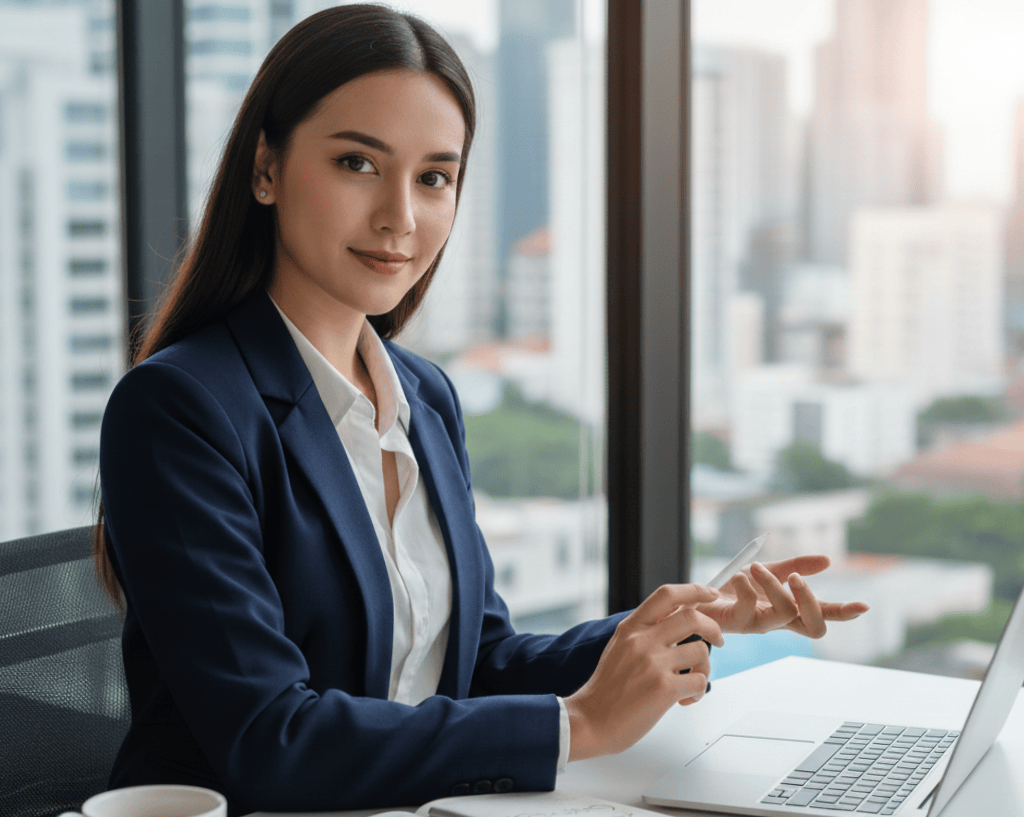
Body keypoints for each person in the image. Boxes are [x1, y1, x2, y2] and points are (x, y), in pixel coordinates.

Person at [94, 5, 868, 815]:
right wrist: (577, 724)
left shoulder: (423, 395)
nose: (401, 216)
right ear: (266, 168)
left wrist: (662, 632)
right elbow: (268, 738)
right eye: (359, 163)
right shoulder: (180, 410)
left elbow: (479, 662)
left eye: (434, 177)